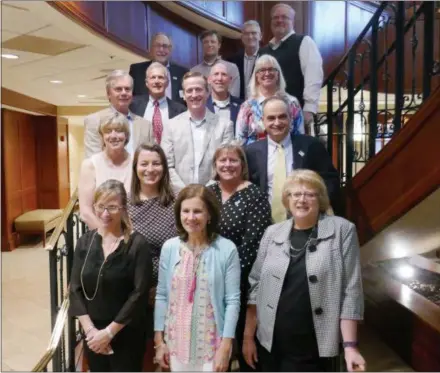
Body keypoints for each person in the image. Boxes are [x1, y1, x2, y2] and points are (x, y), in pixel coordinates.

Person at [242, 170, 366, 372]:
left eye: (310, 194)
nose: (301, 199)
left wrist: (350, 347)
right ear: (287, 199)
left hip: (313, 346)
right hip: (271, 343)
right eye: (295, 194)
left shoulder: (342, 230)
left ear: (320, 199)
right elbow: (255, 286)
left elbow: (351, 291)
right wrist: (248, 337)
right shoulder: (272, 233)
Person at [154, 184, 241, 372]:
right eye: (185, 211)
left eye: (197, 211)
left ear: (209, 215)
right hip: (176, 345)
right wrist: (159, 341)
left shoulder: (227, 249)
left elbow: (232, 301)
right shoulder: (169, 248)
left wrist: (226, 347)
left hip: (212, 346)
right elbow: (161, 296)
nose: (190, 217)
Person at [70, 179, 153, 372]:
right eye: (100, 206)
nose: (105, 214)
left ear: (124, 208)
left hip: (126, 332)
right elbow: (75, 289)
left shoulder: (137, 244)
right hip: (93, 334)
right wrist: (91, 332)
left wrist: (108, 333)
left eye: (113, 207)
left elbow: (139, 293)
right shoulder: (84, 242)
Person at [208, 143, 272, 372]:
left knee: (246, 351)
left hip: (244, 281)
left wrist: (227, 275)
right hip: (208, 281)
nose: (227, 165)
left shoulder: (255, 195)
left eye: (233, 160)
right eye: (222, 160)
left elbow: (254, 244)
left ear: (242, 165)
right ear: (215, 165)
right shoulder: (208, 192)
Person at [245, 96, 341, 222]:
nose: (277, 122)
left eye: (282, 116)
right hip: (263, 224)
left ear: (291, 118)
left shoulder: (311, 146)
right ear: (263, 121)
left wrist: (316, 206)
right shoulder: (250, 152)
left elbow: (330, 181)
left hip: (305, 222)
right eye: (271, 118)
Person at [128, 143, 177, 371]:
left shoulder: (177, 201)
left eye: (156, 163)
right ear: (135, 167)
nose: (150, 169)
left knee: (169, 356)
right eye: (144, 163)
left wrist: (164, 288)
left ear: (164, 167)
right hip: (134, 292)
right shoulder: (125, 203)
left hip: (172, 291)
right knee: (142, 357)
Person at [161, 72, 234, 194]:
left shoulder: (225, 125)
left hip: (213, 196)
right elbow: (167, 165)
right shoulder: (171, 126)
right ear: (183, 95)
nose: (194, 95)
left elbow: (225, 165)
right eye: (189, 90)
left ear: (207, 92)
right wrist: (185, 192)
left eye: (198, 90)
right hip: (179, 197)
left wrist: (204, 193)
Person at [259, 3, 323, 135]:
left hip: (294, 116)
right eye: (275, 17)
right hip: (266, 118)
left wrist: (309, 109)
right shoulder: (263, 50)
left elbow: (313, 76)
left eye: (284, 17)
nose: (279, 20)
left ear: (292, 21)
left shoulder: (304, 42)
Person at [236, 54, 305, 145]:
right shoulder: (247, 106)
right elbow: (239, 140)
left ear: (278, 74)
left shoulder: (292, 103)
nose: (267, 73)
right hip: (255, 157)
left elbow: (300, 136)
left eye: (271, 69)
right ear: (256, 76)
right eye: (262, 70)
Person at [79, 114, 133, 229]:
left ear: (126, 135)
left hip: (134, 234)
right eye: (108, 131)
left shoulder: (136, 164)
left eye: (119, 131)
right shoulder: (89, 165)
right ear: (102, 136)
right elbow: (85, 212)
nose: (113, 136)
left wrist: (131, 235)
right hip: (100, 235)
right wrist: (108, 235)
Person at [84, 70, 154, 158]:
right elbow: (93, 161)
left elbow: (151, 157)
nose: (124, 93)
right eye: (118, 89)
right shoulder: (94, 121)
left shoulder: (146, 125)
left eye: (127, 89)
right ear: (108, 94)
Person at [130, 62, 186, 143]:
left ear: (167, 83)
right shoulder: (133, 106)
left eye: (160, 77)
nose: (156, 81)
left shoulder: (180, 110)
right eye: (153, 77)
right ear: (146, 83)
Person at [129, 32, 188, 104]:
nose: (161, 49)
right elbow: (129, 97)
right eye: (157, 45)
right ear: (151, 48)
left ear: (170, 49)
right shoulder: (136, 70)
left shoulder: (182, 72)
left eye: (165, 46)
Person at [191, 30, 240, 98]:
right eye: (206, 42)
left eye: (213, 42)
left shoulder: (231, 68)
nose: (209, 44)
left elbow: (234, 95)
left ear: (219, 45)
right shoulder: (194, 71)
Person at [226, 20, 263, 100]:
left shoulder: (268, 58)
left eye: (254, 33)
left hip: (262, 107)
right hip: (239, 107)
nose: (250, 37)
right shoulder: (232, 60)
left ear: (260, 36)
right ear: (242, 37)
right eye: (246, 34)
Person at [206, 62, 243, 131]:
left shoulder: (242, 106)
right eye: (216, 74)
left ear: (230, 80)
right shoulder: (202, 106)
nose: (220, 78)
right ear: (209, 80)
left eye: (224, 74)